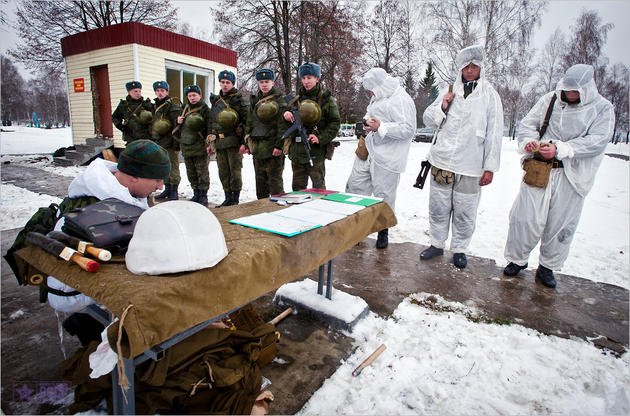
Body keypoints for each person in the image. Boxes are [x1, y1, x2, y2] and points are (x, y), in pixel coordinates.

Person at [46, 140, 170, 344]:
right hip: (84, 300)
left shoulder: (125, 193)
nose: (160, 187)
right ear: (134, 177)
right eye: (156, 179)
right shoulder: (87, 212)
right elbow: (60, 295)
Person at [503, 64, 614, 288]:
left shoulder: (602, 109)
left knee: (560, 223)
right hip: (540, 169)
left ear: (585, 90)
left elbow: (598, 141)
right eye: (567, 90)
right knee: (525, 217)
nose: (569, 95)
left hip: (571, 175)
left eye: (575, 92)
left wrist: (562, 149)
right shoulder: (550, 100)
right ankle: (517, 259)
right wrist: (529, 142)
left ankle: (547, 266)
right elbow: (527, 125)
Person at [420, 45, 503, 269]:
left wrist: (490, 167)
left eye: (474, 66)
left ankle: (459, 249)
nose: (470, 70)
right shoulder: (449, 89)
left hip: (471, 163)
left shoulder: (490, 95)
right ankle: (436, 244)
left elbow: (495, 133)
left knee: (465, 210)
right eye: (466, 66)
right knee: (438, 206)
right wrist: (443, 105)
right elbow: (428, 118)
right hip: (443, 160)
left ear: (480, 68)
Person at [345, 68, 416, 249]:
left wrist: (381, 127)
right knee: (355, 187)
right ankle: (356, 229)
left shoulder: (402, 99)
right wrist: (366, 123)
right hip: (368, 149)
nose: (370, 94)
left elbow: (408, 129)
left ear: (381, 85)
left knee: (384, 195)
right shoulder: (377, 97)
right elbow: (371, 114)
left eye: (371, 90)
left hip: (389, 157)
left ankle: (383, 231)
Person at [283, 62, 341, 191]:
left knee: (319, 189)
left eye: (309, 77)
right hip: (297, 152)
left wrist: (320, 138)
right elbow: (285, 125)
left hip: (315, 152)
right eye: (303, 78)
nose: (306, 81)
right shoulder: (294, 101)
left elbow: (335, 123)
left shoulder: (326, 100)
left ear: (317, 78)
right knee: (297, 190)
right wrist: (286, 115)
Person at [242, 68, 287, 199]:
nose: (264, 84)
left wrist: (279, 146)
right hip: (258, 149)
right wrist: (247, 144)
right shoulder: (255, 101)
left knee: (275, 185)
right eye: (261, 82)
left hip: (273, 148)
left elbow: (282, 125)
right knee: (260, 185)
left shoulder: (279, 100)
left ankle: (278, 212)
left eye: (267, 81)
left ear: (273, 82)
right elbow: (249, 123)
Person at [210, 70, 248, 207]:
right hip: (219, 142)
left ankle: (235, 199)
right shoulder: (216, 101)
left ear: (232, 84)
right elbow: (212, 123)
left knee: (235, 172)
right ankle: (227, 197)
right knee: (223, 172)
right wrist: (210, 143)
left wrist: (245, 143)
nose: (225, 85)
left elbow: (247, 122)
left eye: (228, 82)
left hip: (234, 142)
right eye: (222, 82)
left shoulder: (238, 101)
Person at [176, 85, 213, 206]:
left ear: (200, 95)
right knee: (191, 172)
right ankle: (196, 193)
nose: (192, 98)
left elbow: (210, 128)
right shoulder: (184, 108)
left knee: (202, 172)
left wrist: (210, 145)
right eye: (189, 95)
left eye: (194, 95)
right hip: (186, 146)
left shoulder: (205, 109)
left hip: (200, 146)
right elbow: (178, 128)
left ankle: (203, 195)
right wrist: (178, 122)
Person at [151, 80, 182, 201]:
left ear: (167, 91)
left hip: (170, 142)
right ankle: (167, 189)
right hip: (159, 142)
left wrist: (176, 145)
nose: (160, 93)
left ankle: (174, 191)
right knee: (163, 166)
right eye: (157, 91)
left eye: (162, 91)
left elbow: (176, 127)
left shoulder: (172, 105)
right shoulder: (155, 106)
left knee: (173, 167)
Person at [111, 80, 153, 146]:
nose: (138, 93)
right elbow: (115, 117)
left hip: (146, 138)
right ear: (129, 92)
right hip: (130, 138)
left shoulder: (146, 104)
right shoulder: (124, 105)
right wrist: (119, 125)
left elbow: (156, 116)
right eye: (135, 91)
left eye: (139, 91)